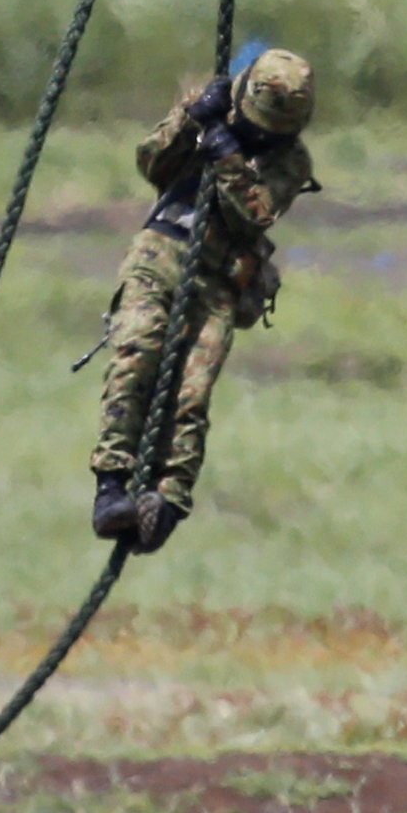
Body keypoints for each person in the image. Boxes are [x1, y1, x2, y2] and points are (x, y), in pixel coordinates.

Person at [85, 48, 320, 551]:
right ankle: (111, 484)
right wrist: (190, 120)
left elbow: (252, 215)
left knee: (192, 392)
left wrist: (226, 154)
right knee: (136, 352)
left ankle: (167, 502)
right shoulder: (212, 109)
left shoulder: (292, 162)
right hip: (160, 253)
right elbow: (151, 162)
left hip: (218, 278)